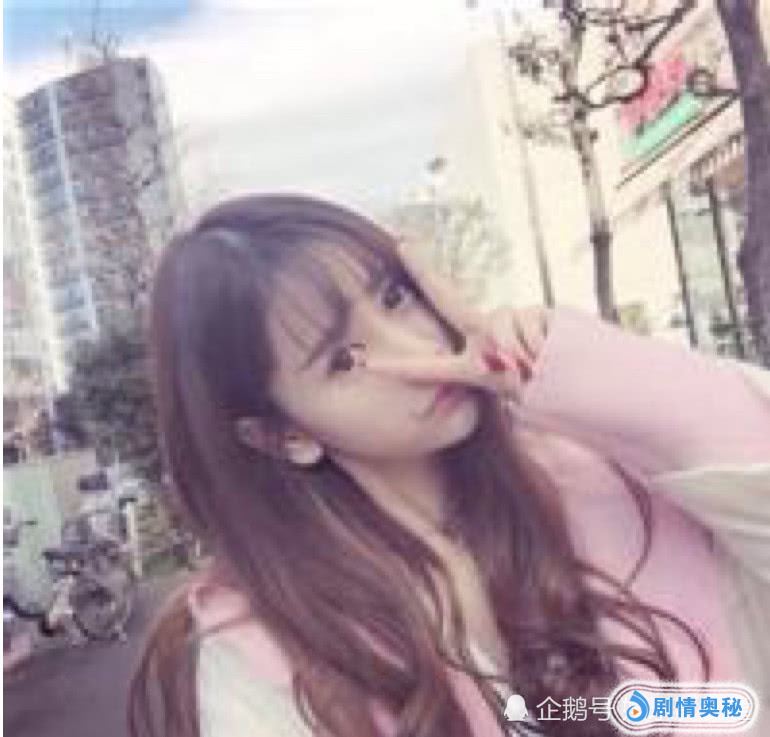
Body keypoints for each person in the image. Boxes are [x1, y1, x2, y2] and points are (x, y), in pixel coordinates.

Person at [128, 193, 770, 737]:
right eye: (344, 360)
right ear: (283, 435)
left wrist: (578, 370)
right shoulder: (261, 655)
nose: (417, 351)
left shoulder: (601, 475)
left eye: (395, 298)